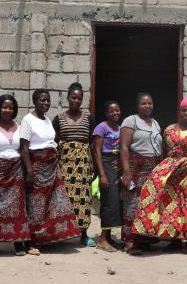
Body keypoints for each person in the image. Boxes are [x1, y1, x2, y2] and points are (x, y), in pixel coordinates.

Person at [132, 98, 187, 254]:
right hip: (172, 171)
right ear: (179, 111)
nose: (186, 113)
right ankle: (173, 239)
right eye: (183, 110)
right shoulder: (169, 129)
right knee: (170, 203)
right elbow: (165, 153)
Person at [20, 89, 81, 255]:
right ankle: (29, 241)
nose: (46, 103)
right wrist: (30, 171)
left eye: (48, 100)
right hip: (37, 167)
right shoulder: (28, 120)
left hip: (52, 166)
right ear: (35, 101)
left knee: (54, 202)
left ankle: (45, 238)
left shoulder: (47, 120)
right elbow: (24, 147)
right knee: (36, 205)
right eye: (42, 100)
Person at [0, 94, 30, 257]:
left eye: (10, 107)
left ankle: (18, 242)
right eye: (4, 107)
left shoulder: (18, 125)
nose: (7, 110)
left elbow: (22, 148)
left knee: (17, 208)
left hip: (15, 170)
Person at [52, 82, 96, 247]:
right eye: (73, 97)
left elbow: (93, 143)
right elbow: (53, 141)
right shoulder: (59, 118)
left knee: (83, 199)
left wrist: (94, 166)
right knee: (64, 199)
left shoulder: (89, 118)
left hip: (83, 164)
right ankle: (63, 233)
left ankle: (83, 234)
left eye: (79, 98)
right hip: (65, 164)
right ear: (67, 98)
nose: (76, 101)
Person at [119, 92, 163, 255]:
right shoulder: (131, 121)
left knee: (149, 204)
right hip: (135, 167)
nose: (147, 106)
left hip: (153, 168)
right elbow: (124, 146)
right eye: (144, 103)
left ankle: (144, 239)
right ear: (137, 106)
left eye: (150, 103)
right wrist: (126, 171)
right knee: (132, 203)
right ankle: (130, 240)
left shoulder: (156, 123)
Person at [91, 100, 122, 252]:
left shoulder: (120, 128)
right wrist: (102, 174)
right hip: (106, 164)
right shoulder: (101, 128)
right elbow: (97, 152)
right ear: (106, 113)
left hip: (117, 165)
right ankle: (102, 239)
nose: (115, 113)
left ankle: (109, 237)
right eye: (112, 111)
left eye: (117, 110)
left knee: (115, 201)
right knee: (109, 202)